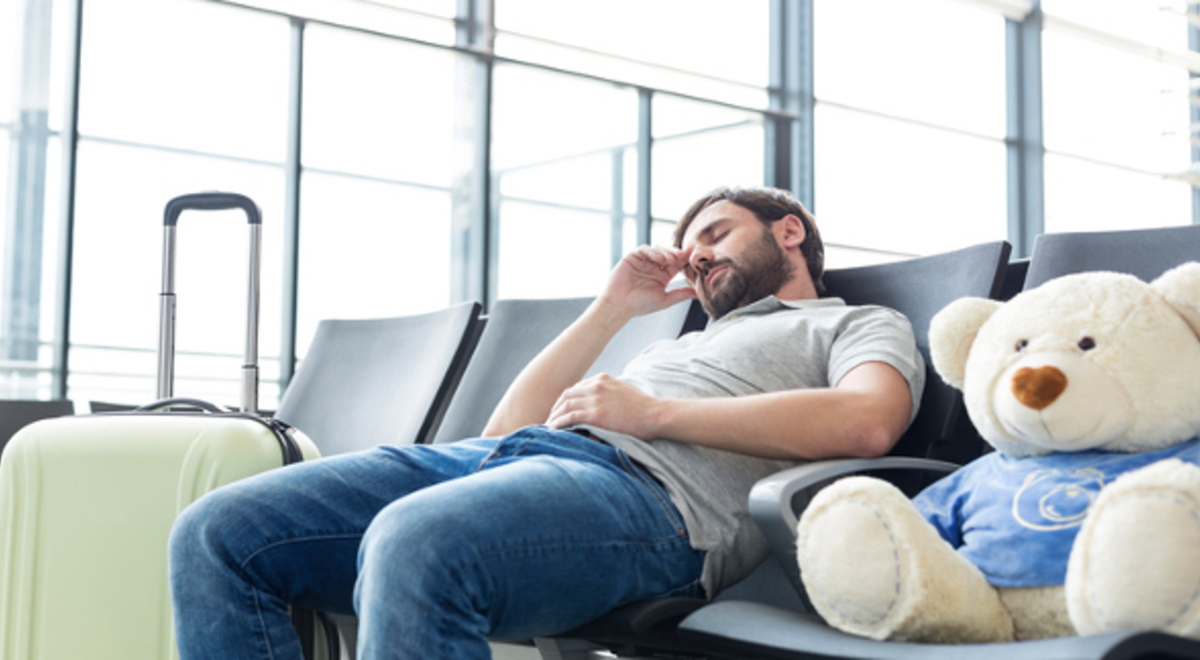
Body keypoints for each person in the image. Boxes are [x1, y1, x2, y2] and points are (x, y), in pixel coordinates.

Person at [168, 185, 925, 660]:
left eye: (716, 235)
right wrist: (613, 311)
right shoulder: (688, 340)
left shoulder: (852, 323)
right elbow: (503, 427)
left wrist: (653, 414)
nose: (696, 258)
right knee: (218, 532)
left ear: (788, 232)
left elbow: (868, 423)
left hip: (655, 505)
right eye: (689, 251)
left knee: (419, 542)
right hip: (514, 462)